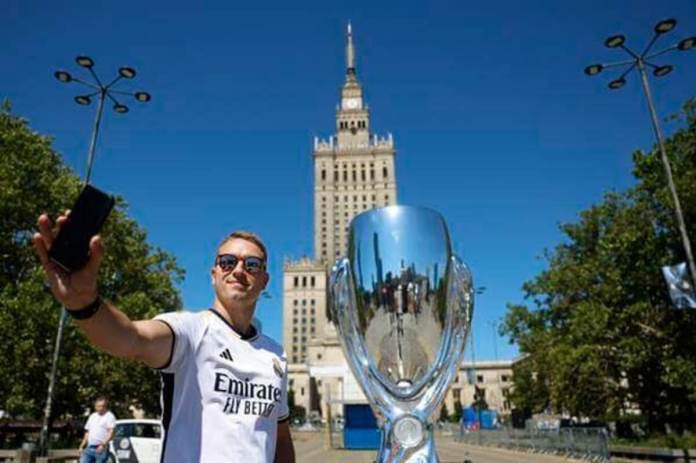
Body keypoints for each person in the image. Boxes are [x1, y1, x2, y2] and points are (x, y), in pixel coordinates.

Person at [33, 213, 295, 462]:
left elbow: (280, 438)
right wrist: (84, 302)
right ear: (214, 274)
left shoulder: (275, 355)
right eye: (228, 262)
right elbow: (130, 338)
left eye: (252, 265)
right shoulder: (190, 330)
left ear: (264, 280)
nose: (238, 270)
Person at [78, 397, 116, 463]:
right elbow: (87, 432)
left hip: (101, 448)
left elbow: (111, 432)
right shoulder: (92, 416)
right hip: (89, 448)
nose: (100, 408)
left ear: (105, 406)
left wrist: (103, 445)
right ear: (95, 407)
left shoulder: (109, 416)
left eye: (102, 406)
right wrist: (82, 446)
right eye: (98, 406)